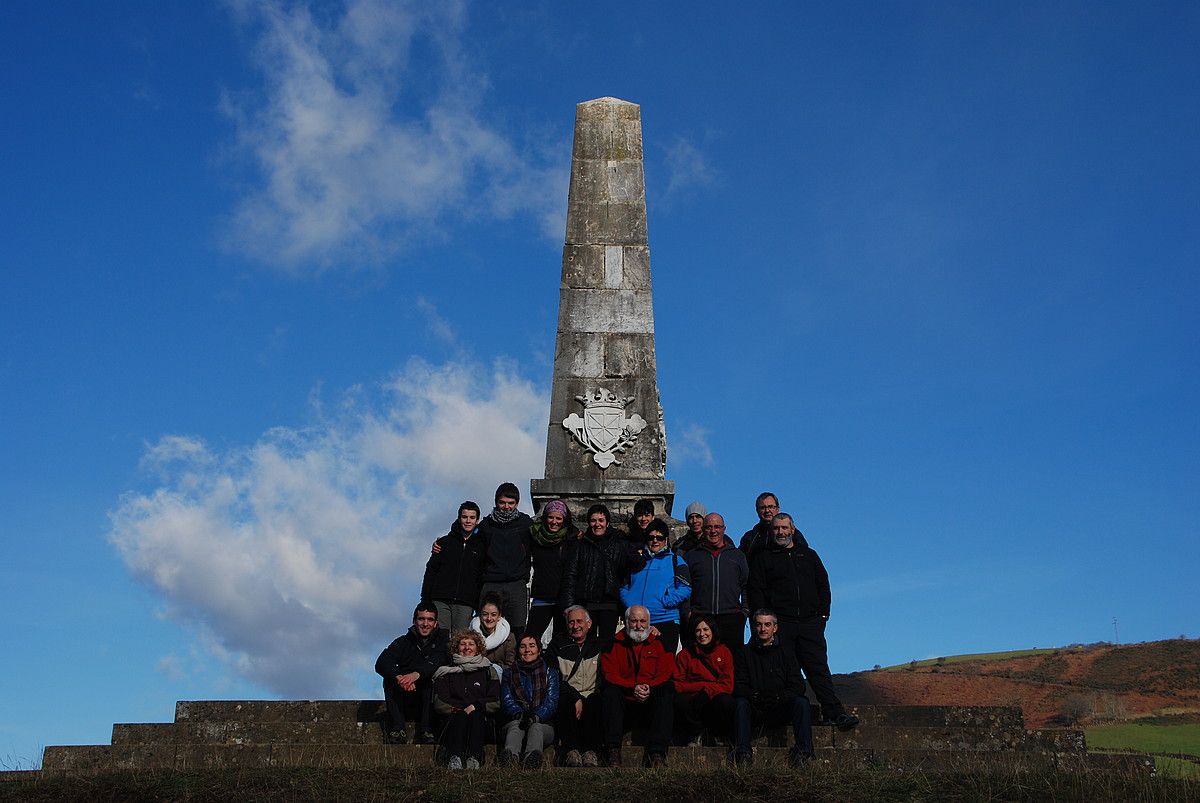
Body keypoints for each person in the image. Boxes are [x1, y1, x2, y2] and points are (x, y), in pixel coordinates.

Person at [748, 512, 858, 730]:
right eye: (777, 528)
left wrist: (823, 615)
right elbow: (756, 592)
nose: (781, 532)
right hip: (781, 624)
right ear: (771, 532)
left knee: (818, 669)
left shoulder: (809, 555)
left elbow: (823, 584)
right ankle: (787, 715)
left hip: (810, 623)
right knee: (785, 672)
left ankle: (833, 712)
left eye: (784, 528)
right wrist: (765, 621)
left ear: (793, 529)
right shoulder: (764, 559)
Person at [732, 609, 814, 768]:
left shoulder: (787, 652)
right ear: (754, 627)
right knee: (740, 703)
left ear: (775, 628)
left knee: (802, 702)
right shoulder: (743, 652)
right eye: (759, 625)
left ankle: (803, 753)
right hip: (754, 707)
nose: (763, 629)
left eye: (767, 625)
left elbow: (798, 685)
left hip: (780, 706)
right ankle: (743, 754)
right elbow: (738, 685)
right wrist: (754, 695)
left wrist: (780, 696)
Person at [599, 605, 675, 767]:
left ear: (649, 623)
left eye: (643, 621)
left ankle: (657, 754)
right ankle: (613, 751)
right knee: (610, 691)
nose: (639, 626)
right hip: (624, 701)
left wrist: (649, 687)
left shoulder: (661, 643)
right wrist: (633, 687)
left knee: (666, 692)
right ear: (626, 622)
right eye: (634, 621)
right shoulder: (613, 643)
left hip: (650, 700)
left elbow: (666, 672)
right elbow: (609, 674)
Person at [560, 503, 644, 649]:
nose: (597, 524)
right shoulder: (580, 545)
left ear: (607, 522)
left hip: (610, 603)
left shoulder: (620, 542)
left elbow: (637, 563)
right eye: (593, 520)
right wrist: (569, 606)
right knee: (586, 646)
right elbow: (570, 575)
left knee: (608, 645)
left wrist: (631, 543)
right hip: (586, 603)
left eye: (601, 520)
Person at [375, 603, 450, 744]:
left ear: (436, 623)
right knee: (389, 679)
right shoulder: (403, 641)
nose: (425, 624)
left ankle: (427, 730)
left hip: (430, 700)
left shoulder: (444, 641)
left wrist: (416, 675)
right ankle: (398, 729)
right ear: (414, 621)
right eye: (421, 619)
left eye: (430, 620)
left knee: (433, 679)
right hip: (405, 697)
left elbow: (439, 660)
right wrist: (400, 679)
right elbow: (382, 662)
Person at [432, 629, 501, 769]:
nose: (467, 647)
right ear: (456, 648)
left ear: (478, 648)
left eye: (471, 644)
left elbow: (495, 700)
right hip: (452, 718)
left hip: (481, 719)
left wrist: (476, 706)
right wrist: (459, 709)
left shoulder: (488, 670)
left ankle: (474, 758)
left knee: (475, 716)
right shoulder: (445, 672)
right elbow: (440, 701)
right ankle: (454, 757)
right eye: (463, 644)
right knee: (460, 716)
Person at [619, 517, 690, 653]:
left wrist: (667, 601)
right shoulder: (637, 560)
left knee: (664, 665)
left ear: (666, 540)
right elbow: (623, 586)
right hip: (638, 621)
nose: (655, 540)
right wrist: (631, 603)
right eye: (651, 537)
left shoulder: (676, 560)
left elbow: (685, 587)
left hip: (665, 619)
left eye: (659, 537)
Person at [683, 513, 749, 653]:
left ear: (724, 529)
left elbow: (746, 585)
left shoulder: (737, 556)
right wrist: (688, 612)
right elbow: (685, 586)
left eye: (717, 527)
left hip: (731, 617)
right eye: (709, 527)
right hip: (701, 617)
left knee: (733, 663)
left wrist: (744, 611)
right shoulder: (692, 556)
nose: (713, 531)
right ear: (703, 529)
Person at [547, 604, 603, 767]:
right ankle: (571, 750)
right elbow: (553, 677)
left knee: (595, 703)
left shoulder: (599, 645)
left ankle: (591, 752)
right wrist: (575, 697)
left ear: (589, 624)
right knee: (564, 702)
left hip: (593, 693)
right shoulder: (557, 645)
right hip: (568, 694)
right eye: (571, 622)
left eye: (579, 621)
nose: (575, 626)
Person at [421, 501, 486, 633]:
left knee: (459, 639)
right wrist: (425, 599)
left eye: (472, 518)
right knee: (440, 637)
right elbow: (431, 571)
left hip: (465, 601)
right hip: (440, 599)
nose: (468, 521)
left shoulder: (482, 547)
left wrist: (478, 603)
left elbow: (481, 576)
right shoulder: (444, 543)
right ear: (459, 518)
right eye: (464, 517)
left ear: (477, 521)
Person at [478, 482, 534, 630]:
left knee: (518, 627)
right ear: (496, 502)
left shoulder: (525, 523)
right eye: (502, 502)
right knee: (487, 627)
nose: (506, 507)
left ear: (517, 503)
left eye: (511, 503)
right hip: (491, 582)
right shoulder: (485, 525)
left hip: (517, 583)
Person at [673, 614, 736, 746]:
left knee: (726, 701)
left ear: (713, 631)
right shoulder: (684, 655)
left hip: (714, 697)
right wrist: (702, 688)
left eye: (706, 629)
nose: (702, 634)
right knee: (679, 701)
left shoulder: (724, 652)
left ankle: (718, 734)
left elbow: (728, 685)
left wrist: (708, 692)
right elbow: (678, 684)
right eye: (698, 630)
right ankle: (694, 733)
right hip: (693, 698)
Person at [499, 634, 561, 768]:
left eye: (532, 646)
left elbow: (551, 702)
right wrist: (519, 714)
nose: (527, 650)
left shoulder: (550, 673)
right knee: (516, 725)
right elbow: (507, 699)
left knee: (536, 727)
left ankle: (531, 759)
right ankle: (510, 758)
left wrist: (535, 717)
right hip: (515, 720)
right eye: (523, 646)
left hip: (544, 724)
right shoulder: (508, 673)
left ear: (539, 650)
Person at [526, 500, 577, 646]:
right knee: (531, 637)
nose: (554, 522)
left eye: (558, 518)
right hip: (542, 595)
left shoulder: (572, 539)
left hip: (563, 598)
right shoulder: (535, 536)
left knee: (561, 641)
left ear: (564, 520)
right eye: (551, 517)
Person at [470, 592, 515, 679]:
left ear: (499, 616)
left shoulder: (509, 636)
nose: (489, 618)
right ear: (480, 615)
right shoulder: (471, 634)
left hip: (499, 677)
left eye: (493, 614)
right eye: (485, 614)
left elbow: (510, 665)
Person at [738, 492, 780, 560]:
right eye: (763, 508)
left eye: (770, 507)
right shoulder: (749, 538)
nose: (767, 510)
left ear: (777, 509)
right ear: (757, 511)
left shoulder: (791, 534)